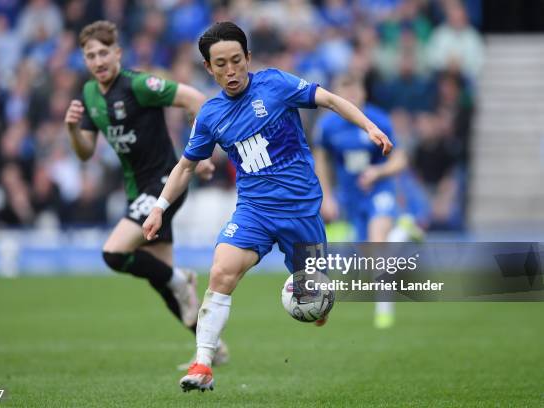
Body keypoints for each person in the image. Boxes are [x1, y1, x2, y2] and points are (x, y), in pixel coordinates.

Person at [142, 21, 393, 392]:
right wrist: (160, 206)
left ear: (247, 58)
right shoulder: (210, 116)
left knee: (316, 305)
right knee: (222, 271)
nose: (230, 71)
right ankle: (203, 363)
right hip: (254, 211)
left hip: (301, 212)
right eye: (220, 64)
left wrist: (369, 126)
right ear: (208, 69)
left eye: (236, 61)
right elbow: (185, 166)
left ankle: (319, 304)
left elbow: (329, 99)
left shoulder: (275, 84)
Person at [64, 20, 228, 366]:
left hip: (165, 184)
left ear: (118, 53)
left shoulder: (139, 85)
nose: (98, 61)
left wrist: (197, 154)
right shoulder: (90, 95)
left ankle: (182, 279)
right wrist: (71, 129)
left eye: (104, 53)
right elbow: (84, 151)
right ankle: (210, 350)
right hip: (137, 191)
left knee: (113, 254)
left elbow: (194, 98)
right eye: (90, 55)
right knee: (163, 282)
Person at [312, 73, 408, 329]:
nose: (352, 96)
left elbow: (400, 160)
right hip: (351, 197)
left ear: (364, 93)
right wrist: (327, 196)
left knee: (377, 244)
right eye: (345, 91)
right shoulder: (328, 127)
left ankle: (384, 311)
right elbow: (321, 160)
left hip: (379, 191)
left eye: (355, 90)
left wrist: (378, 172)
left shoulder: (378, 120)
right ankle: (402, 232)